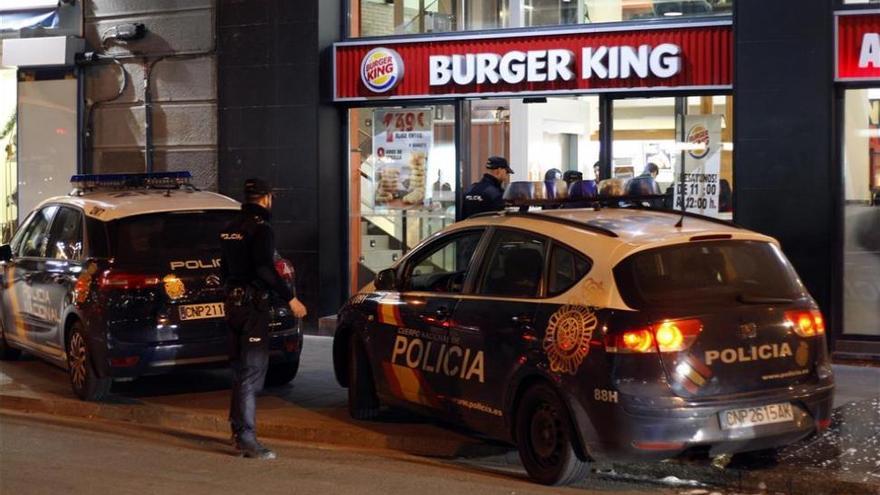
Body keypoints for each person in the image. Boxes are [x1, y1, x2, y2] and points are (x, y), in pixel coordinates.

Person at [220, 177, 308, 459]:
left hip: (233, 304)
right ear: (267, 198)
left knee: (240, 369)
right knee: (252, 371)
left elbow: (224, 268)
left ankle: (237, 431)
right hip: (253, 307)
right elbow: (264, 269)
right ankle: (246, 437)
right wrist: (290, 298)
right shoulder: (262, 229)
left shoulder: (230, 228)